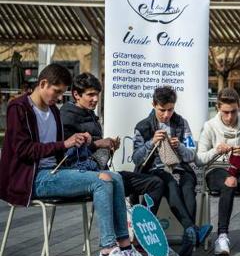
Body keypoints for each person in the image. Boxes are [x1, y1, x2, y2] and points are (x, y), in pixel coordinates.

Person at [0, 64, 150, 256]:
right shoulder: (19, 108)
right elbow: (23, 150)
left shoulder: (53, 110)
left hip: (56, 171)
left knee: (114, 177)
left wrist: (83, 141)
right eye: (57, 91)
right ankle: (107, 251)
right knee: (102, 180)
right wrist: (65, 144)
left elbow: (61, 146)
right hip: (32, 178)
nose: (60, 97)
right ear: (43, 84)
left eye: (63, 92)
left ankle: (124, 246)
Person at [60, 73, 165, 216]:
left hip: (102, 171)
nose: (96, 99)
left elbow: (95, 152)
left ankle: (142, 226)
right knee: (114, 182)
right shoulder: (67, 116)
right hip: (83, 176)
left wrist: (108, 148)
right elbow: (67, 155)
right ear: (76, 94)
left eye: (97, 94)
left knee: (156, 183)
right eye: (90, 95)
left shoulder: (90, 114)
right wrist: (98, 144)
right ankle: (119, 234)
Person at [132, 86, 208, 256]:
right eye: (162, 110)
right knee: (169, 182)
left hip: (180, 168)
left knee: (188, 184)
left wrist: (179, 146)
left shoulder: (181, 123)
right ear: (153, 104)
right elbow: (136, 159)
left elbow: (190, 155)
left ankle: (188, 238)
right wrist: (151, 143)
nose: (167, 115)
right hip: (153, 171)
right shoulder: (143, 126)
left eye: (170, 110)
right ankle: (192, 230)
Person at [196, 88, 240, 256]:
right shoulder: (210, 126)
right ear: (218, 108)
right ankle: (222, 235)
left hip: (239, 168)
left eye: (234, 111)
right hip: (215, 169)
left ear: (239, 107)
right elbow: (198, 159)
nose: (229, 117)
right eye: (225, 112)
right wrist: (216, 151)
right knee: (230, 181)